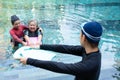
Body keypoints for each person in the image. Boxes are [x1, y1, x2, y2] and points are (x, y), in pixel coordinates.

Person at [20, 21, 103, 80]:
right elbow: (64, 48)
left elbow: (59, 67)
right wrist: (40, 46)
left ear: (83, 37)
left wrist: (29, 61)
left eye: (80, 33)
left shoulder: (89, 65)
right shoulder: (91, 51)